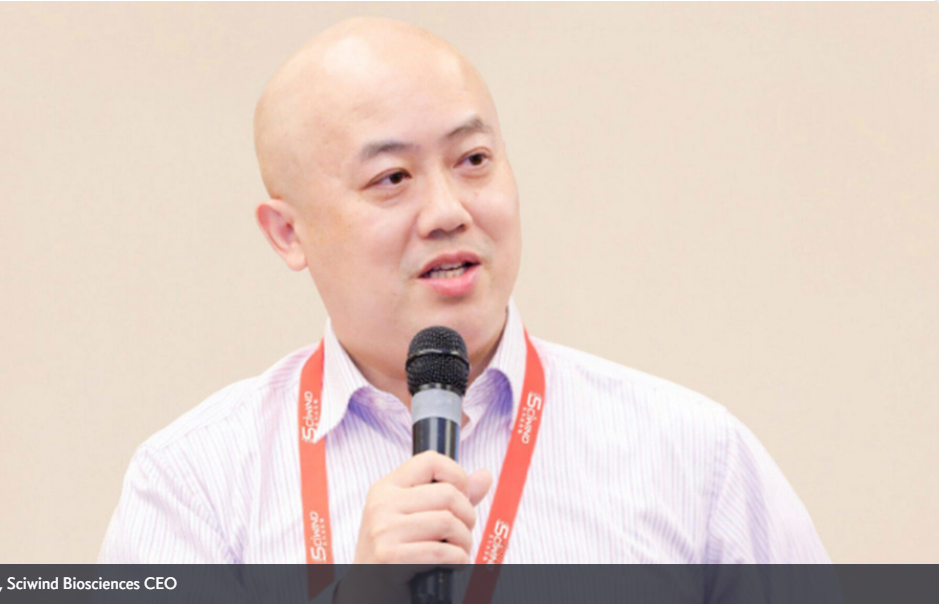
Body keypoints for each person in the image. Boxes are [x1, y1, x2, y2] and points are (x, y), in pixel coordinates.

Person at [100, 15, 830, 601]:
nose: (448, 210)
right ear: (289, 233)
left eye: (473, 161)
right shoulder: (194, 484)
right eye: (392, 177)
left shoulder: (691, 456)